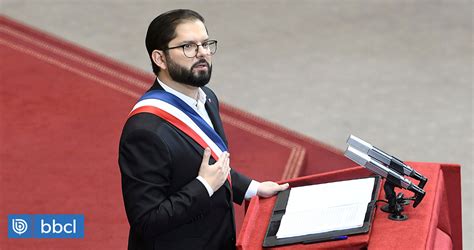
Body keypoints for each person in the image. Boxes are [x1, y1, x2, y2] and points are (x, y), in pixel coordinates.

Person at [118, 9, 289, 250]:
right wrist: (203, 186)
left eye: (205, 44)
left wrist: (253, 189)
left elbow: (214, 166)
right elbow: (146, 222)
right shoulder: (145, 132)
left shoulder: (207, 98)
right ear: (160, 58)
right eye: (188, 47)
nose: (203, 54)